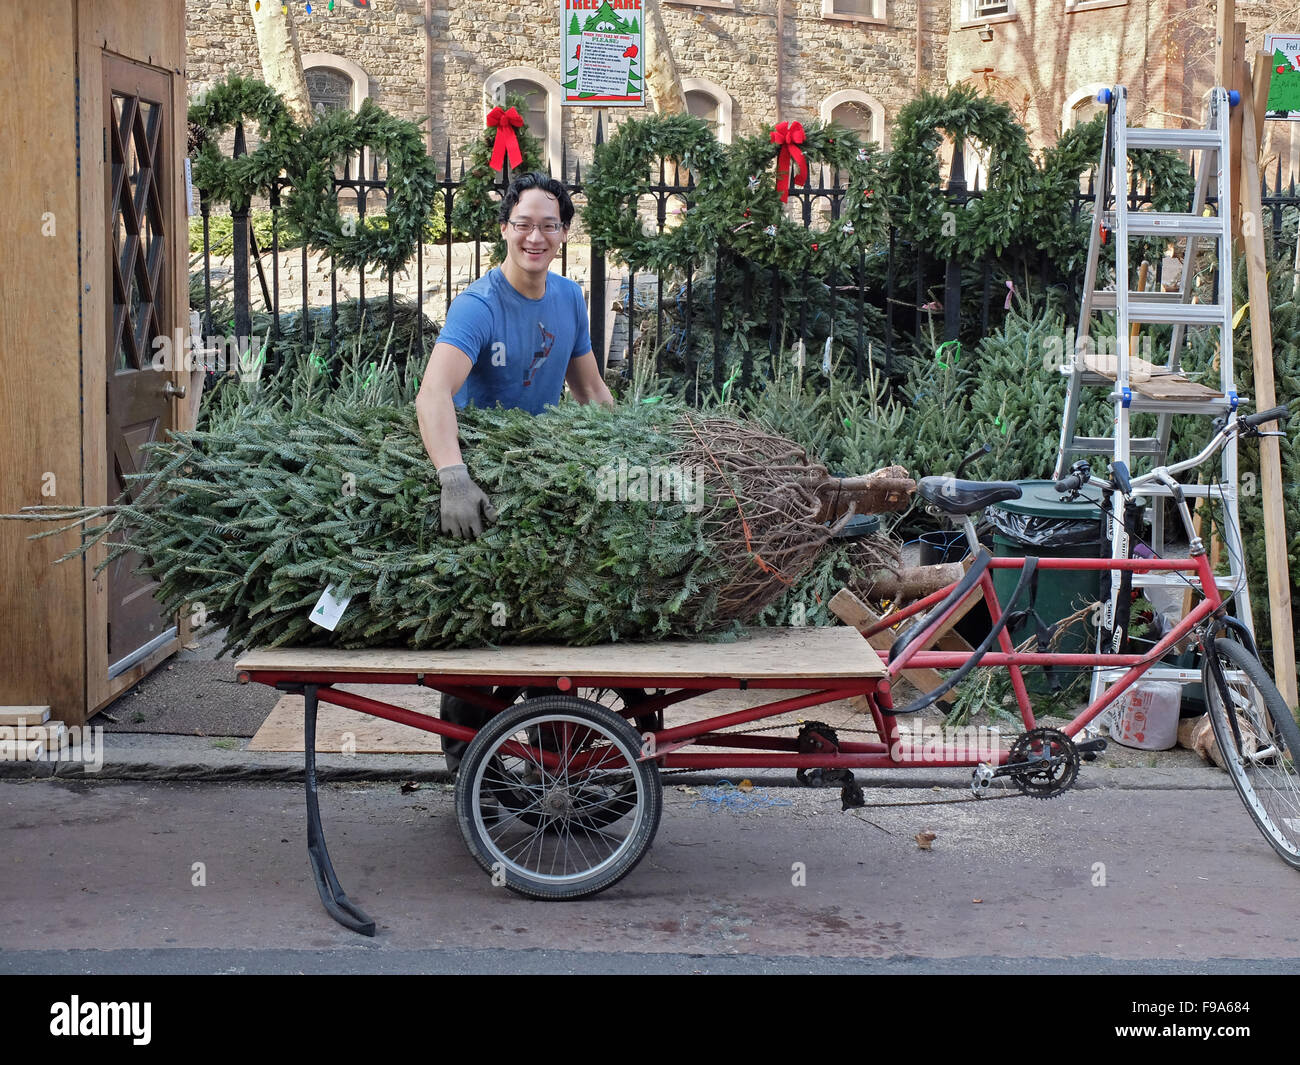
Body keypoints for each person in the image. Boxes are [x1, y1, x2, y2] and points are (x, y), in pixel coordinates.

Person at [414, 171, 615, 773]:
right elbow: (433, 394)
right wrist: (453, 475)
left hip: (542, 475)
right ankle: (467, 762)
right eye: (523, 223)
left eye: (548, 225)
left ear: (563, 234)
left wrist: (630, 448)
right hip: (486, 482)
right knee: (484, 634)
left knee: (552, 622)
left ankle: (552, 756)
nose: (535, 236)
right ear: (504, 228)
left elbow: (589, 389)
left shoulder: (569, 298)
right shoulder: (479, 304)